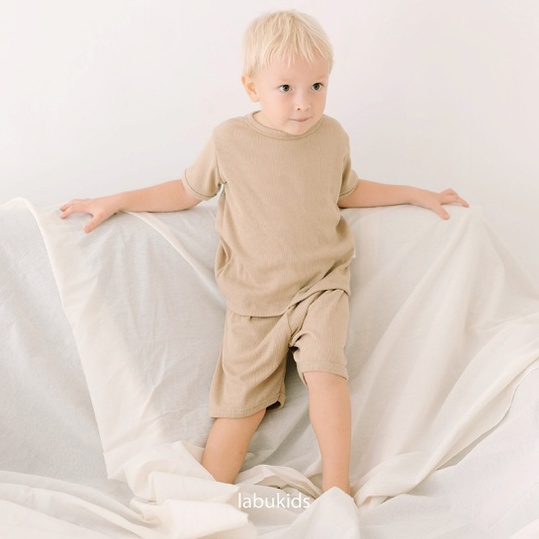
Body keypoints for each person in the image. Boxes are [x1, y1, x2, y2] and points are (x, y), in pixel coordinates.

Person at [60, 10, 468, 495]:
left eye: (317, 86)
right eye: (286, 88)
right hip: (254, 302)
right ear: (252, 86)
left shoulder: (332, 136)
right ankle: (208, 496)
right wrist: (118, 200)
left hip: (321, 286)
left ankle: (338, 489)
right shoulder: (230, 140)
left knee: (325, 374)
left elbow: (347, 190)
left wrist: (416, 193)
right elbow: (186, 191)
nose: (304, 102)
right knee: (239, 411)